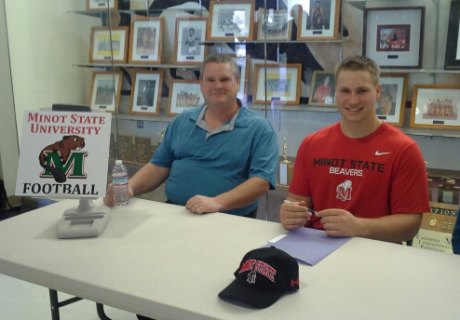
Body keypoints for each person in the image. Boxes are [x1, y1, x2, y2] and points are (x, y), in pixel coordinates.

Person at [104, 54, 278, 218]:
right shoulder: (181, 121)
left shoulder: (260, 129)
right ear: (201, 83)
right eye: (210, 80)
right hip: (176, 213)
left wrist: (217, 202)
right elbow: (158, 166)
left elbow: (260, 182)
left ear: (238, 83)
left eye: (224, 79)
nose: (217, 86)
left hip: (229, 218)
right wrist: (130, 187)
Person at [280, 55, 430, 243]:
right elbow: (296, 201)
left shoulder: (404, 150)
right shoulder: (311, 144)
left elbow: (410, 225)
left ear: (377, 92)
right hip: (314, 247)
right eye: (345, 91)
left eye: (361, 91)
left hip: (375, 253)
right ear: (336, 93)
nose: (353, 100)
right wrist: (289, 212)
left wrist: (359, 227)